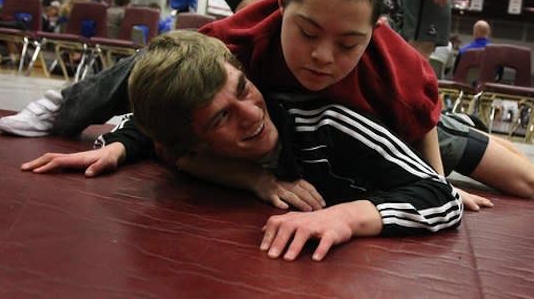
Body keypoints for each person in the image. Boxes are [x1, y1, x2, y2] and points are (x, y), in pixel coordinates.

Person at [0, 0, 531, 210]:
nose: (323, 56)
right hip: (316, 137)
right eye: (307, 33)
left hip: (391, 126)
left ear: (376, 29)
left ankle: (465, 123)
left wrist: (433, 183)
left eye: (348, 42)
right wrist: (120, 143)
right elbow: (172, 114)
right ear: (280, 6)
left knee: (526, 180)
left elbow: (422, 128)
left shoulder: (397, 64)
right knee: (161, 57)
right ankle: (64, 105)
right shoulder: (237, 39)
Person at [23, 31, 463, 261]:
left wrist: (346, 216)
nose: (252, 115)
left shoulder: (328, 124)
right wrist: (116, 148)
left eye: (243, 89)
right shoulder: (181, 136)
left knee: (521, 176)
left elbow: (441, 196)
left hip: (411, 122)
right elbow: (150, 129)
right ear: (193, 141)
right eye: (221, 117)